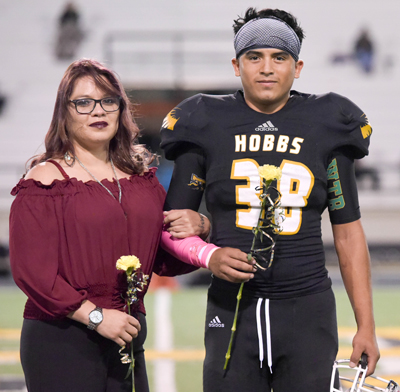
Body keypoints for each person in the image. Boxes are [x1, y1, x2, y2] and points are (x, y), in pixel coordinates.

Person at [160, 7, 380, 392]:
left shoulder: (328, 121)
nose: (266, 68)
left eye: (279, 57)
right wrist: (209, 251)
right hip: (232, 308)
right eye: (254, 56)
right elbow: (172, 226)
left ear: (297, 67)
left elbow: (347, 233)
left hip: (307, 307)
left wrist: (366, 325)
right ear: (236, 64)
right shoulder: (204, 120)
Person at [8, 58, 211, 392]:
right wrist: (97, 317)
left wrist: (202, 229)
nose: (98, 111)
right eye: (84, 103)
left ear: (121, 109)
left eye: (108, 101)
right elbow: (33, 273)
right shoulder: (46, 181)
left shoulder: (141, 180)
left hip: (126, 334)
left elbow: (160, 260)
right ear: (65, 112)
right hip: (62, 341)